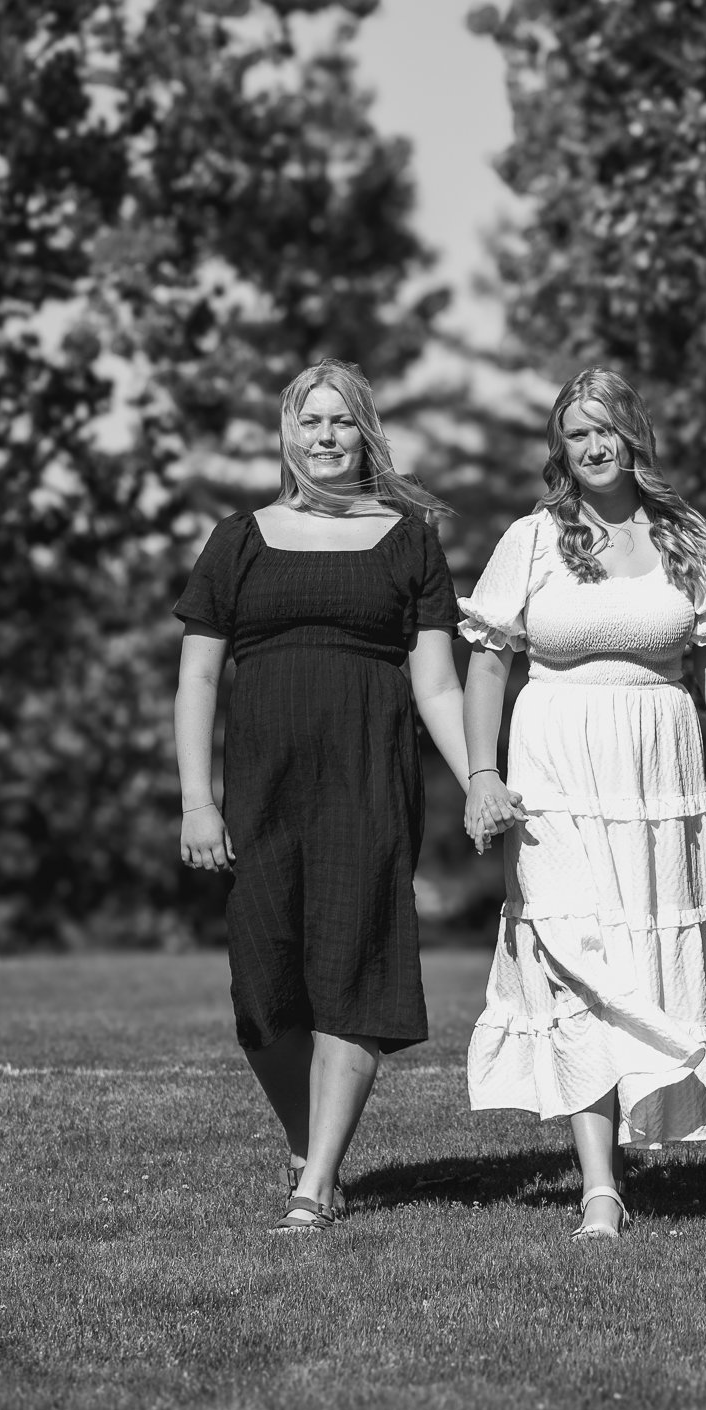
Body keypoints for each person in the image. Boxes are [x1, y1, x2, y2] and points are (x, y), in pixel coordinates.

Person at [459, 368, 706, 1240]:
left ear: (635, 438)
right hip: (554, 759)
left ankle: (635, 1143)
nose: (593, 449)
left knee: (641, 946)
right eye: (576, 434)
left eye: (606, 431)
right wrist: (484, 776)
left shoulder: (687, 536)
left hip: (657, 767)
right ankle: (600, 1185)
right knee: (572, 950)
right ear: (560, 447)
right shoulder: (532, 536)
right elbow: (489, 658)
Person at [175, 360, 468, 1232]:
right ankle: (312, 1145)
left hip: (367, 786)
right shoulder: (239, 539)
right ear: (287, 434)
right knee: (263, 997)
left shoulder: (408, 539)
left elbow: (439, 688)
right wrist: (198, 799)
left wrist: (480, 777)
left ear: (366, 432)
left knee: (351, 972)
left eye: (342, 422)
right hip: (260, 794)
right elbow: (197, 681)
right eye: (311, 421)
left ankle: (316, 1184)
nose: (326, 436)